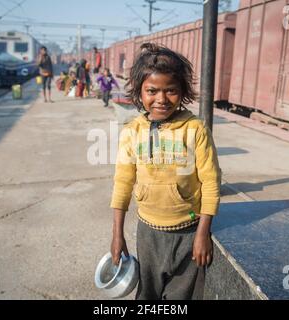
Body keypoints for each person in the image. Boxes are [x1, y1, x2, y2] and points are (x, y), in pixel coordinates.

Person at [110, 43, 222, 300]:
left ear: (182, 91)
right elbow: (122, 185)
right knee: (148, 295)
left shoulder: (195, 130)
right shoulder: (132, 132)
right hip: (148, 233)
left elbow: (211, 183)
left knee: (181, 297)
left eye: (170, 90)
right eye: (152, 91)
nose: (161, 99)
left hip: (189, 231)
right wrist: (117, 235)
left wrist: (203, 234)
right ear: (140, 92)